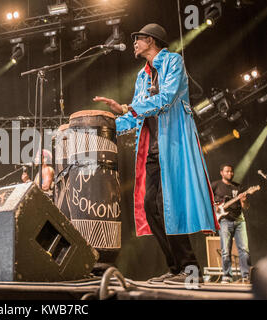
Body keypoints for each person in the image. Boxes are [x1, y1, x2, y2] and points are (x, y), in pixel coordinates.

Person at [93, 23, 218, 284]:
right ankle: (176, 269)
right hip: (153, 150)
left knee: (168, 206)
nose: (134, 43)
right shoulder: (142, 75)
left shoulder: (173, 62)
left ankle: (191, 270)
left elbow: (166, 98)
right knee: (152, 207)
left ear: (150, 40)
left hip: (173, 146)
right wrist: (106, 124)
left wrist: (131, 109)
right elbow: (138, 115)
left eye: (137, 39)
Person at [211, 164, 251, 283]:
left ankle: (246, 276)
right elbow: (207, 200)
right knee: (225, 250)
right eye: (227, 171)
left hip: (239, 220)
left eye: (231, 171)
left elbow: (246, 207)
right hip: (224, 221)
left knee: (244, 249)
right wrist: (215, 208)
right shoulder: (215, 185)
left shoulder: (238, 187)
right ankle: (227, 276)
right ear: (221, 172)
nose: (230, 173)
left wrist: (243, 201)